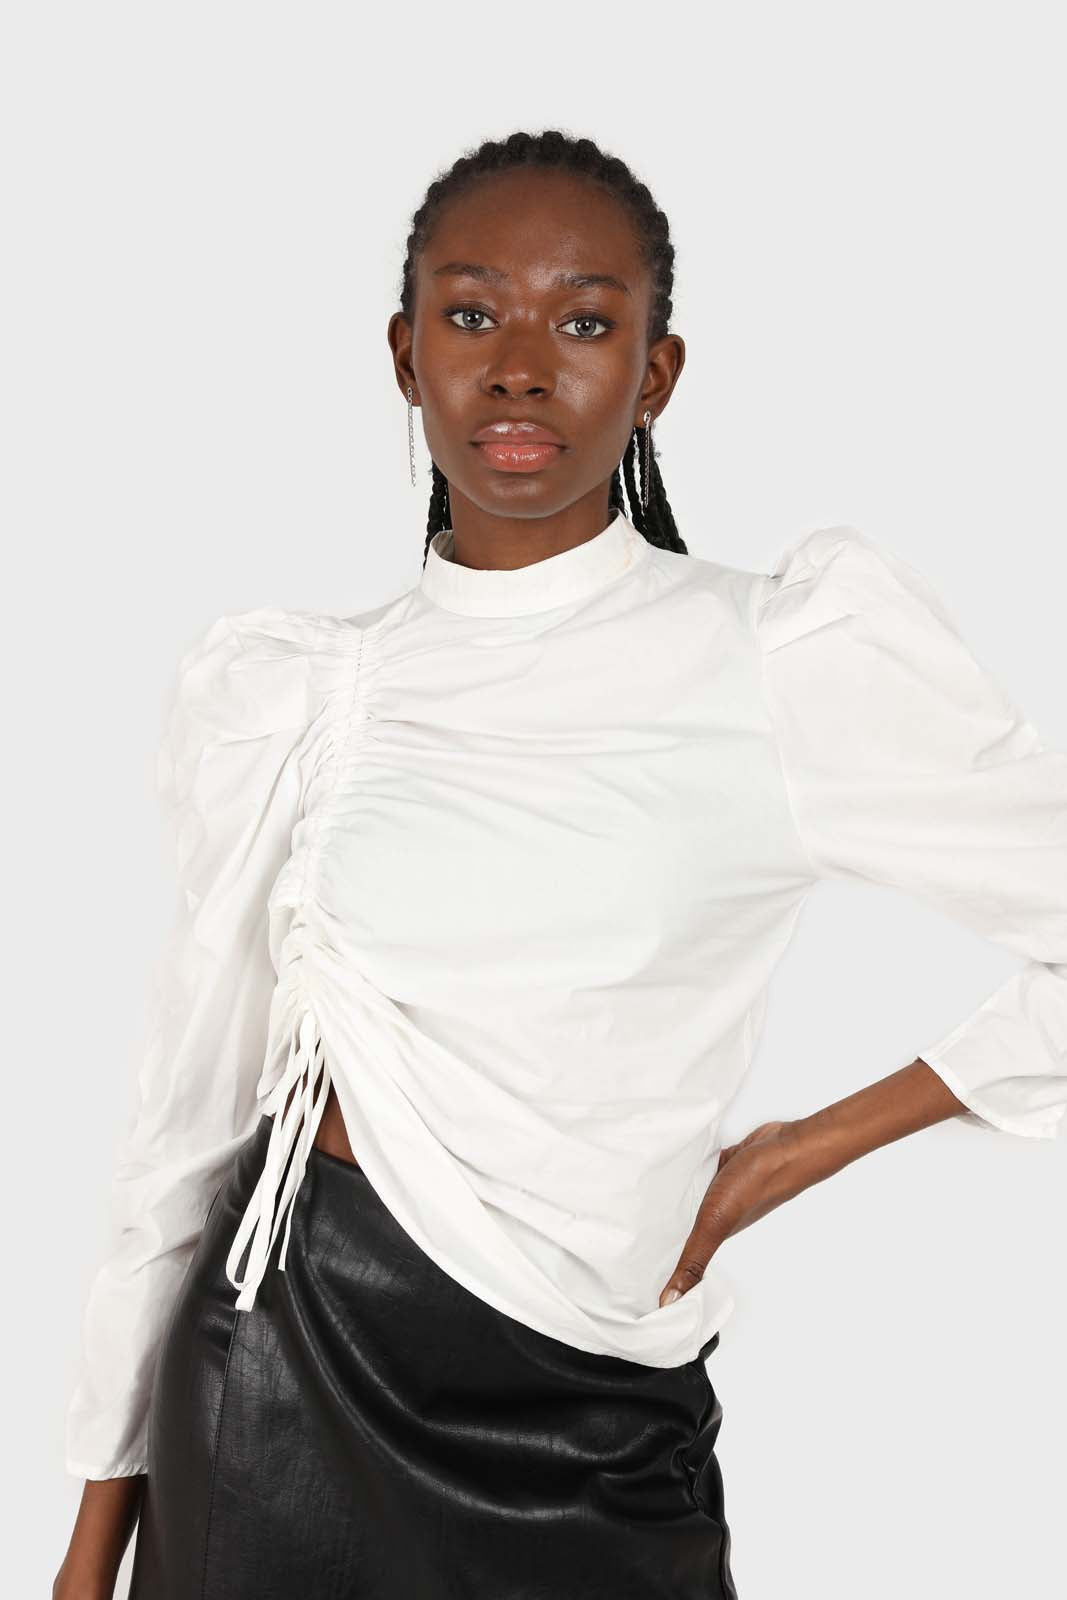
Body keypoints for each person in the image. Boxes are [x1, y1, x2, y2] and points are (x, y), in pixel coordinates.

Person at [54, 128, 1066, 1600]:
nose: (521, 370)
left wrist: (790, 1156)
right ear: (405, 357)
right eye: (472, 315)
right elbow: (186, 1118)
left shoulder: (775, 658)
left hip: (602, 1406)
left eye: (584, 324)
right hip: (287, 1372)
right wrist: (94, 1537)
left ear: (656, 374)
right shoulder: (308, 692)